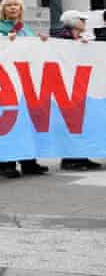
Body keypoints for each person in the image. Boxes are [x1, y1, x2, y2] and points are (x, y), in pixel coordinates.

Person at [0, 0, 49, 177]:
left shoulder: (26, 30)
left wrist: (41, 42)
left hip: (25, 84)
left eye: (16, 5)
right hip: (7, 83)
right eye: (9, 5)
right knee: (8, 124)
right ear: (3, 10)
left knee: (26, 123)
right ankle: (7, 165)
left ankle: (28, 162)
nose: (13, 8)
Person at [53, 11, 101, 171]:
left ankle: (82, 156)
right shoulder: (61, 39)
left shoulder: (80, 40)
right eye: (81, 20)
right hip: (66, 87)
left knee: (81, 124)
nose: (84, 22)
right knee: (71, 124)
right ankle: (70, 159)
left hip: (79, 86)